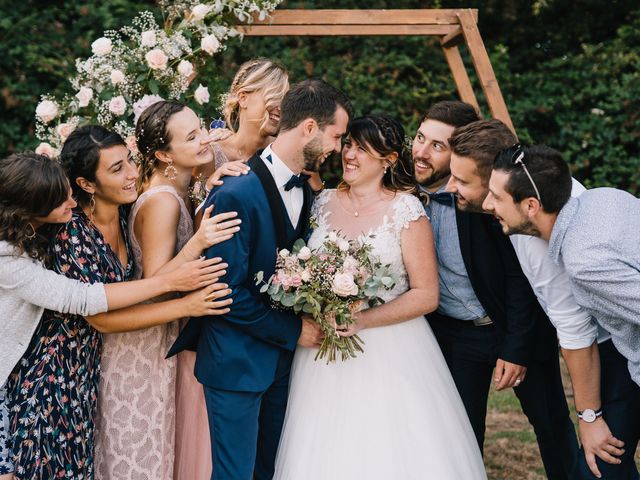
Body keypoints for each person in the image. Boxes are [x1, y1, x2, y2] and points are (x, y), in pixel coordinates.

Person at [6, 128, 230, 480]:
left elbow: (175, 175)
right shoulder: (70, 230)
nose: (130, 173)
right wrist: (185, 301)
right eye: (116, 169)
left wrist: (211, 180)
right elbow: (98, 315)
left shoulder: (125, 214)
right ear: (88, 184)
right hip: (50, 378)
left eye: (129, 160)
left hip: (87, 372)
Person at [273, 115, 487, 479]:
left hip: (393, 350)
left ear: (388, 160)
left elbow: (426, 295)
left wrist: (361, 319)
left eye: (362, 149)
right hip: (321, 353)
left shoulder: (406, 210)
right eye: (349, 145)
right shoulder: (320, 202)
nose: (350, 155)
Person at [169, 78, 351, 479]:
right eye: (336, 136)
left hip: (282, 366)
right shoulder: (234, 192)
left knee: (270, 470)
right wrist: (294, 331)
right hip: (236, 362)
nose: (338, 148)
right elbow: (223, 291)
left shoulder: (306, 191)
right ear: (308, 128)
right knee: (235, 474)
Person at [414, 101, 579, 479]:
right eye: (420, 138)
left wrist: (516, 348)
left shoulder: (491, 199)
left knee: (551, 423)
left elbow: (521, 279)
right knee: (459, 433)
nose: (422, 152)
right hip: (453, 335)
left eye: (438, 146)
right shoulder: (405, 190)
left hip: (511, 327)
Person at [95, 100, 240, 480]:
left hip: (161, 338)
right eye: (191, 137)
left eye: (201, 129)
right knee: (143, 457)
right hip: (142, 349)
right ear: (162, 154)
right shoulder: (162, 202)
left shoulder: (178, 189)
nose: (205, 139)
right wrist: (199, 242)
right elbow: (155, 285)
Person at [484, 143, 640, 479]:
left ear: (531, 205)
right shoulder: (602, 197)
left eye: (496, 197)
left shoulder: (584, 261)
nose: (487, 204)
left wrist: (588, 416)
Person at [193, 58, 323, 219]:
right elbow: (197, 228)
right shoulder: (210, 155)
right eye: (274, 96)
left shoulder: (285, 153)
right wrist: (209, 189)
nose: (281, 107)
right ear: (243, 98)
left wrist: (317, 188)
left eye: (286, 100)